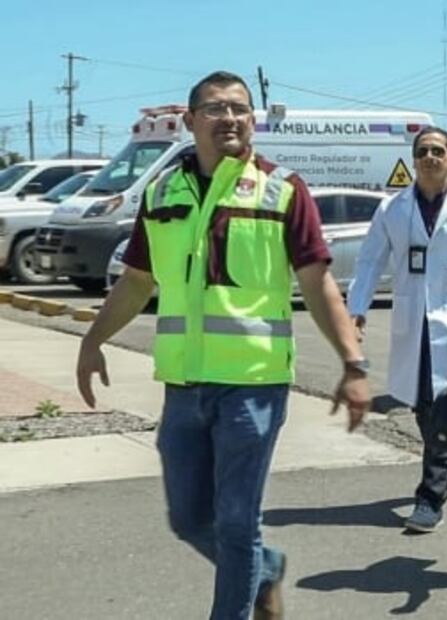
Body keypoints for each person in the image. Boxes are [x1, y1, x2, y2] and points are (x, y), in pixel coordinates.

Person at [74, 71, 371, 620]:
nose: (229, 118)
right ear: (190, 121)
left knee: (237, 522)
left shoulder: (283, 189)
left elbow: (317, 282)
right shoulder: (163, 192)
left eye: (239, 108)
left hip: (253, 387)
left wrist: (353, 363)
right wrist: (93, 340)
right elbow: (137, 281)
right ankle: (265, 570)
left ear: (253, 120)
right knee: (189, 520)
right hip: (183, 387)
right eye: (214, 108)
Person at [347, 126, 447, 533]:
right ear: (414, 160)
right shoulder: (393, 208)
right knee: (422, 406)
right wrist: (357, 309)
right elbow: (370, 260)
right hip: (412, 320)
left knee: (446, 407)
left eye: (438, 151)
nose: (430, 157)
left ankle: (429, 497)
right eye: (423, 151)